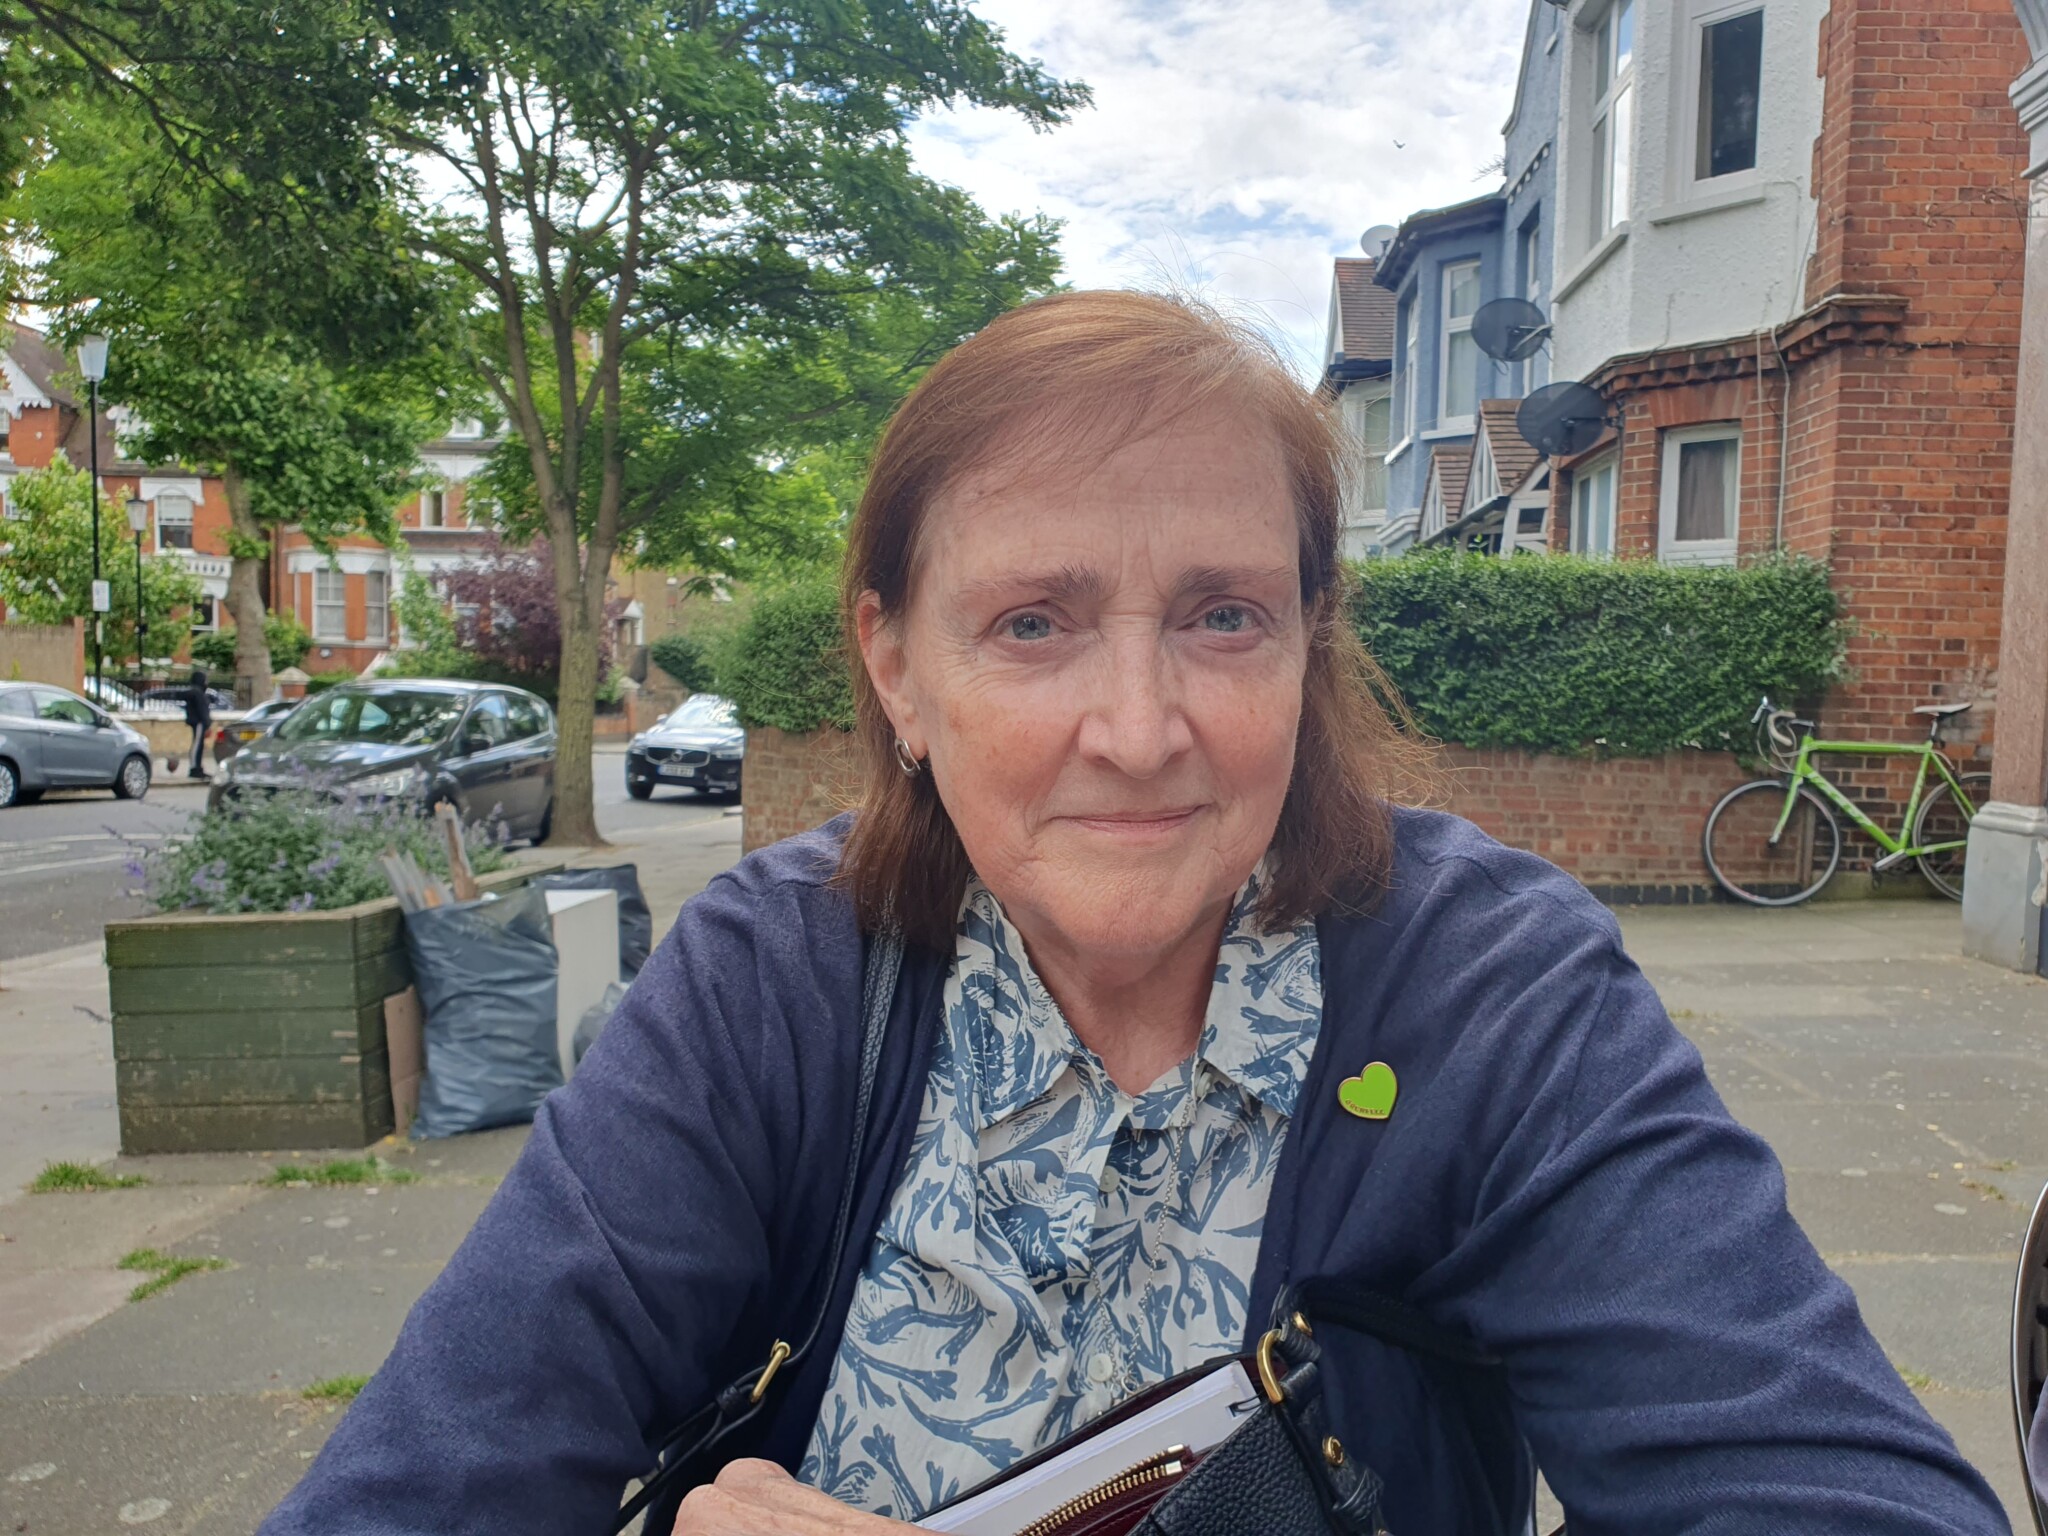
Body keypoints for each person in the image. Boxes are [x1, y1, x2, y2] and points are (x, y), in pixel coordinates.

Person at [257, 293, 2010, 1536]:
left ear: (1307, 641)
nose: (1139, 726)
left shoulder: (1488, 991)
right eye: (1032, 623)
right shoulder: (768, 987)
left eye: (1222, 616)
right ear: (896, 666)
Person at [180, 665, 212, 780]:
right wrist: (207, 723)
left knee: (199, 744)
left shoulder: (197, 692)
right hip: (199, 722)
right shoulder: (197, 693)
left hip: (199, 722)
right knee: (197, 744)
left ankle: (197, 767)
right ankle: (195, 768)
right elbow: (202, 710)